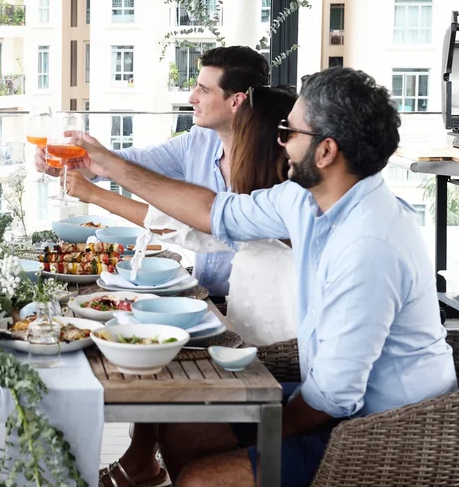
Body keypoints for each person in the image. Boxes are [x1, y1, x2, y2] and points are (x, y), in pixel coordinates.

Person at [66, 67, 457, 487]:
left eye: (289, 131)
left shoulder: (370, 244)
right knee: (180, 425)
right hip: (335, 403)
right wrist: (108, 165)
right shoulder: (306, 198)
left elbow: (334, 397)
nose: (280, 141)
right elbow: (215, 212)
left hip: (388, 434)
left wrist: (252, 441)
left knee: (202, 479)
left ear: (326, 151)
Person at [65, 86, 299, 487]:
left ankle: (150, 466)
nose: (225, 155)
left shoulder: (287, 209)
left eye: (236, 142)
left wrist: (103, 181)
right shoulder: (262, 204)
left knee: (168, 397)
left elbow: (198, 218)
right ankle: (144, 464)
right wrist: (98, 187)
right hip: (247, 360)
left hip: (273, 377)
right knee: (167, 406)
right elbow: (187, 227)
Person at [36, 46, 270, 297]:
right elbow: (133, 164)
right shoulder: (198, 141)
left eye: (203, 90)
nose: (191, 97)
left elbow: (198, 232)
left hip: (247, 303)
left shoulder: (272, 167)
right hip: (200, 294)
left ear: (236, 101)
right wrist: (80, 163)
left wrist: (95, 192)